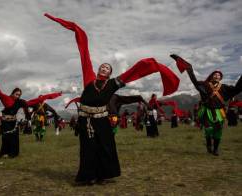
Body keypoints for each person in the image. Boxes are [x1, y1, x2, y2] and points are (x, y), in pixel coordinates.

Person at [45, 13, 180, 184]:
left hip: (102, 120)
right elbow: (84, 53)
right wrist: (74, 28)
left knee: (105, 147)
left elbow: (135, 70)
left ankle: (103, 175)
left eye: (107, 68)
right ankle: (88, 177)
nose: (103, 68)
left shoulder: (114, 84)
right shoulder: (89, 79)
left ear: (110, 73)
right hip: (86, 120)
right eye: (102, 66)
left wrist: (156, 67)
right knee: (88, 149)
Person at [0, 79, 62, 158]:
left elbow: (39, 99)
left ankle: (13, 154)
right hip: (5, 123)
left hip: (13, 122)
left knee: (14, 138)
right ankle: (5, 153)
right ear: (12, 93)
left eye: (19, 95)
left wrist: (56, 94)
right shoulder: (6, 99)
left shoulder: (20, 102)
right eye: (17, 94)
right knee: (6, 138)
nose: (18, 96)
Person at [171, 54, 242, 156]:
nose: (217, 76)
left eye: (219, 75)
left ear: (221, 78)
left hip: (219, 112)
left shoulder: (225, 87)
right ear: (212, 76)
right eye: (215, 74)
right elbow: (194, 81)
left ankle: (216, 149)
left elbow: (236, 89)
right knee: (208, 130)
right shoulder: (204, 85)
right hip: (207, 111)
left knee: (218, 131)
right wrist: (188, 67)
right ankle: (209, 145)